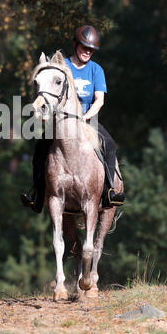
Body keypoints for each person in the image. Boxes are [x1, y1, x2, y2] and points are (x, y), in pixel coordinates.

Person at [20, 25, 125, 212]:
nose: (87, 52)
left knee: (108, 143)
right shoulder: (63, 66)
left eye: (91, 49)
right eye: (84, 47)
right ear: (75, 45)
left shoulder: (96, 70)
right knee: (40, 147)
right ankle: (37, 193)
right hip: (60, 123)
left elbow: (99, 100)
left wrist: (84, 117)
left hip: (87, 119)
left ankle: (109, 191)